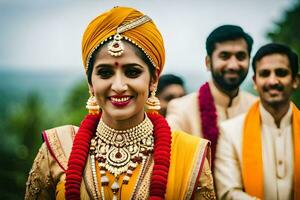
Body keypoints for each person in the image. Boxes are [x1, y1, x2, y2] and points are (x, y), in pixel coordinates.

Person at [25, 7, 216, 199]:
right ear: (90, 82)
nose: (118, 86)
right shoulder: (58, 148)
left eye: (132, 72)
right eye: (105, 73)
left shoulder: (189, 155)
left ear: (154, 79)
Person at [214, 43, 300, 199]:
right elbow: (228, 193)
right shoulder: (231, 131)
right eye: (265, 74)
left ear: (295, 80)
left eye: (281, 73)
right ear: (255, 81)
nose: (273, 81)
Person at [166, 25, 257, 168]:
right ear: (208, 63)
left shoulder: (257, 107)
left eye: (240, 56)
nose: (233, 65)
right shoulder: (181, 109)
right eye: (224, 56)